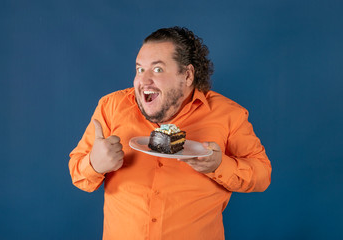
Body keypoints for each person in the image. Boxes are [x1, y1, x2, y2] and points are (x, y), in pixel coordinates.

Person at [68, 26, 272, 240]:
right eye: (139, 69)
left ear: (187, 75)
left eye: (157, 69)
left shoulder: (229, 115)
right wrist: (94, 164)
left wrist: (219, 166)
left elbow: (262, 175)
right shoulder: (111, 107)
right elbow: (77, 173)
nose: (144, 80)